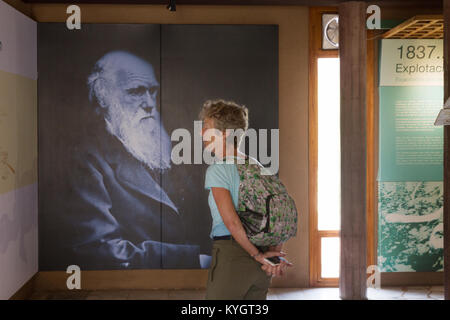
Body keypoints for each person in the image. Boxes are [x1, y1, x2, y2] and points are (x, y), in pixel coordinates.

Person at [58, 51, 203, 270]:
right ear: (104, 97)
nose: (149, 104)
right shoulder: (86, 159)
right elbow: (98, 249)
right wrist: (193, 260)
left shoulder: (161, 144)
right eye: (136, 92)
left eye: (152, 91)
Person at [200, 99, 292, 300]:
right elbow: (279, 212)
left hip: (233, 255)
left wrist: (256, 255)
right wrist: (272, 256)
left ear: (223, 134)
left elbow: (231, 222)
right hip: (262, 259)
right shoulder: (259, 166)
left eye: (206, 127)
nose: (201, 133)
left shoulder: (218, 170)